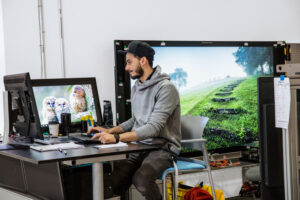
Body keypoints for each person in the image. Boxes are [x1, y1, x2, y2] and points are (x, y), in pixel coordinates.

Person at [88, 41, 181, 200]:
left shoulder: (166, 88)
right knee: (115, 180)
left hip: (163, 148)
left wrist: (116, 138)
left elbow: (153, 128)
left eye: (129, 62)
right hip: (140, 146)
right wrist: (109, 131)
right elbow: (136, 119)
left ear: (143, 61)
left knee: (141, 180)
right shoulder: (137, 87)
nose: (126, 67)